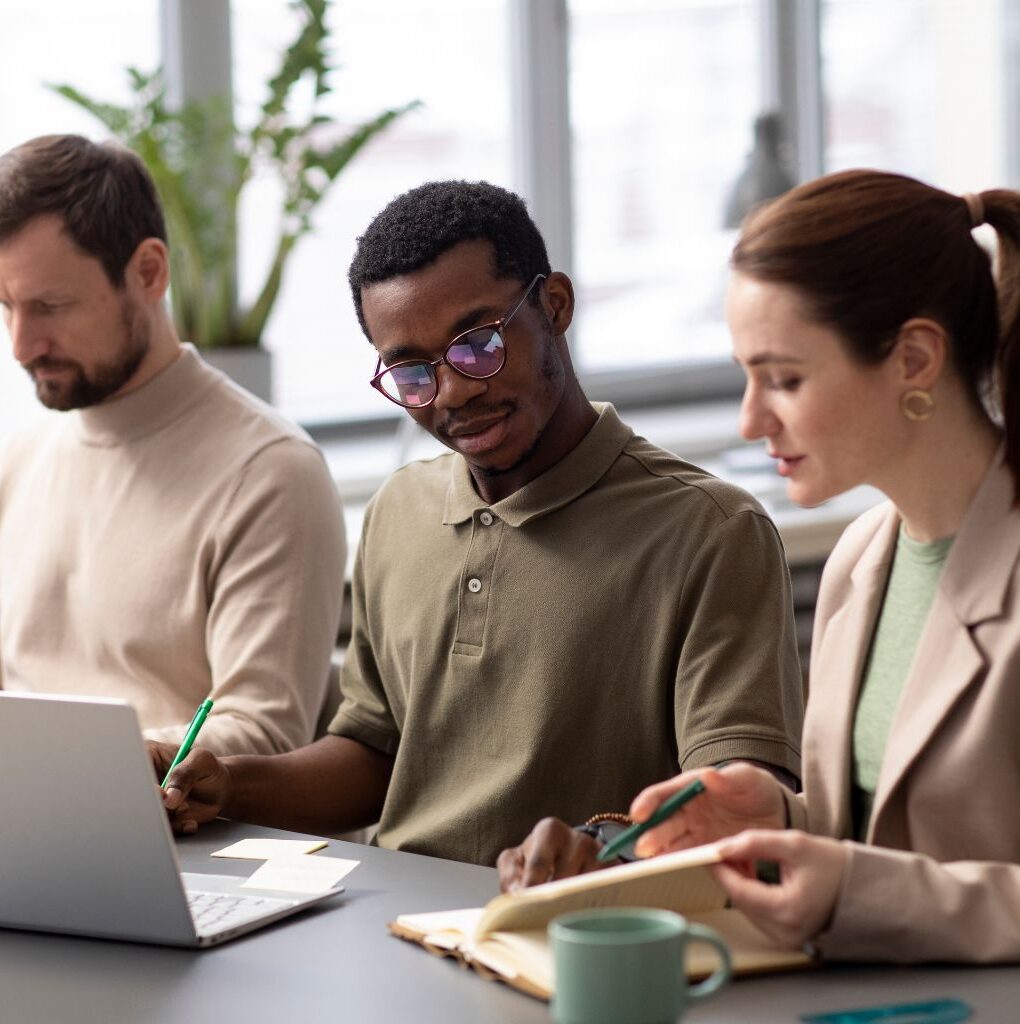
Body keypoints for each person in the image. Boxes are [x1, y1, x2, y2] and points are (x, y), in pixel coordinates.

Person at [152, 179, 805, 866]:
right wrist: (226, 780)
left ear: (554, 307)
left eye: (478, 343)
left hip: (571, 935)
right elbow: (374, 756)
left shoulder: (711, 531)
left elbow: (736, 807)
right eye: (412, 372)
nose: (456, 390)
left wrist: (602, 847)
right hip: (390, 924)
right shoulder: (398, 513)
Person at [499, 168, 1020, 963]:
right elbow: (889, 834)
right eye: (746, 375)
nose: (750, 419)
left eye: (784, 379)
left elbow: (893, 881)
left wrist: (848, 888)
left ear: (914, 358)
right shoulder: (861, 562)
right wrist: (777, 817)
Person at [0, 134, 346, 755]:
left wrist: (67, 771)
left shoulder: (269, 474)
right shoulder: (18, 463)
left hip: (185, 839)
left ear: (149, 272)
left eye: (50, 306)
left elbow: (264, 733)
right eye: (5, 306)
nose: (22, 346)